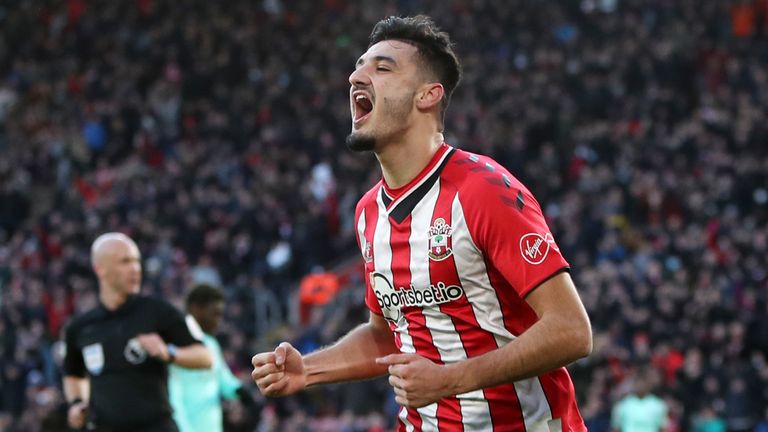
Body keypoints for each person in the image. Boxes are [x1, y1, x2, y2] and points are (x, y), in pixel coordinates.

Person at [251, 15, 592, 431]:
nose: (357, 75)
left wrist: (450, 380)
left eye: (382, 67)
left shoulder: (482, 190)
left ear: (428, 95)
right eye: (359, 65)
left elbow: (571, 330)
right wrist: (311, 370)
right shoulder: (367, 214)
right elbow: (386, 334)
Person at [62, 232, 213, 432]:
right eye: (125, 262)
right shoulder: (81, 327)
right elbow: (73, 373)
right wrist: (76, 403)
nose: (135, 268)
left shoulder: (158, 311)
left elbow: (205, 357)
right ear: (101, 269)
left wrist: (168, 353)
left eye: (136, 261)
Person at [168, 283, 256, 432]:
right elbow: (172, 395)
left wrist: (239, 391)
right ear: (196, 309)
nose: (219, 320)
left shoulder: (211, 344)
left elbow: (222, 378)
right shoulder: (176, 344)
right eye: (215, 313)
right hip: (185, 426)